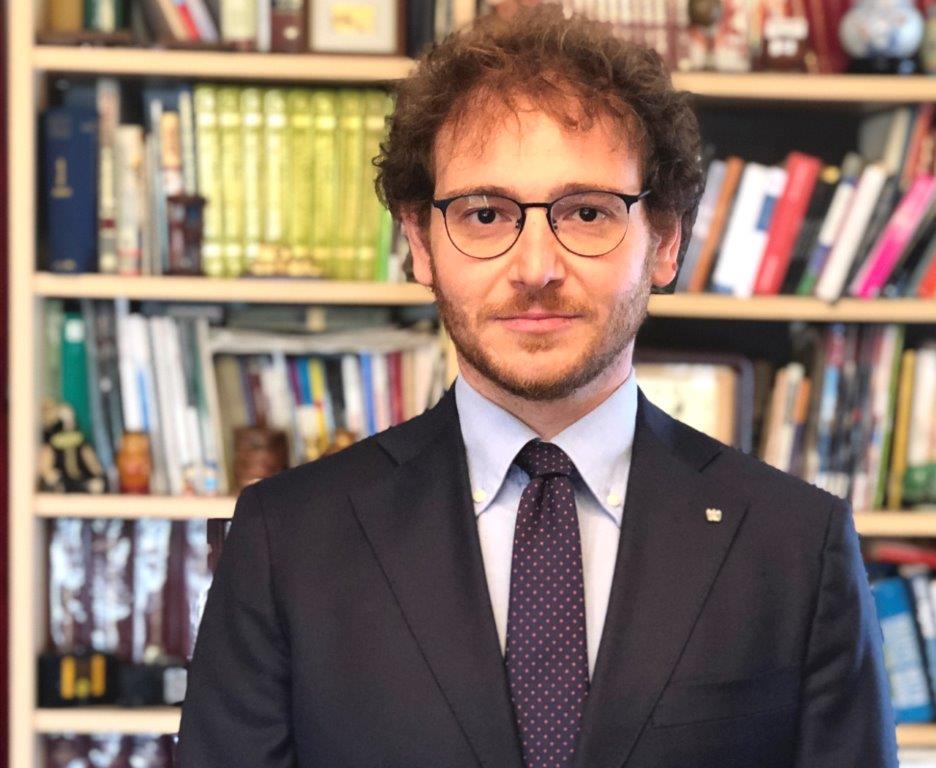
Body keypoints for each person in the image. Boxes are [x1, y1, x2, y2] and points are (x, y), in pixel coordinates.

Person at [176, 7, 898, 767]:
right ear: (421, 243)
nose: (535, 268)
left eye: (586, 213)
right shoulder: (287, 541)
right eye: (485, 215)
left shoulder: (796, 545)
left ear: (666, 240)